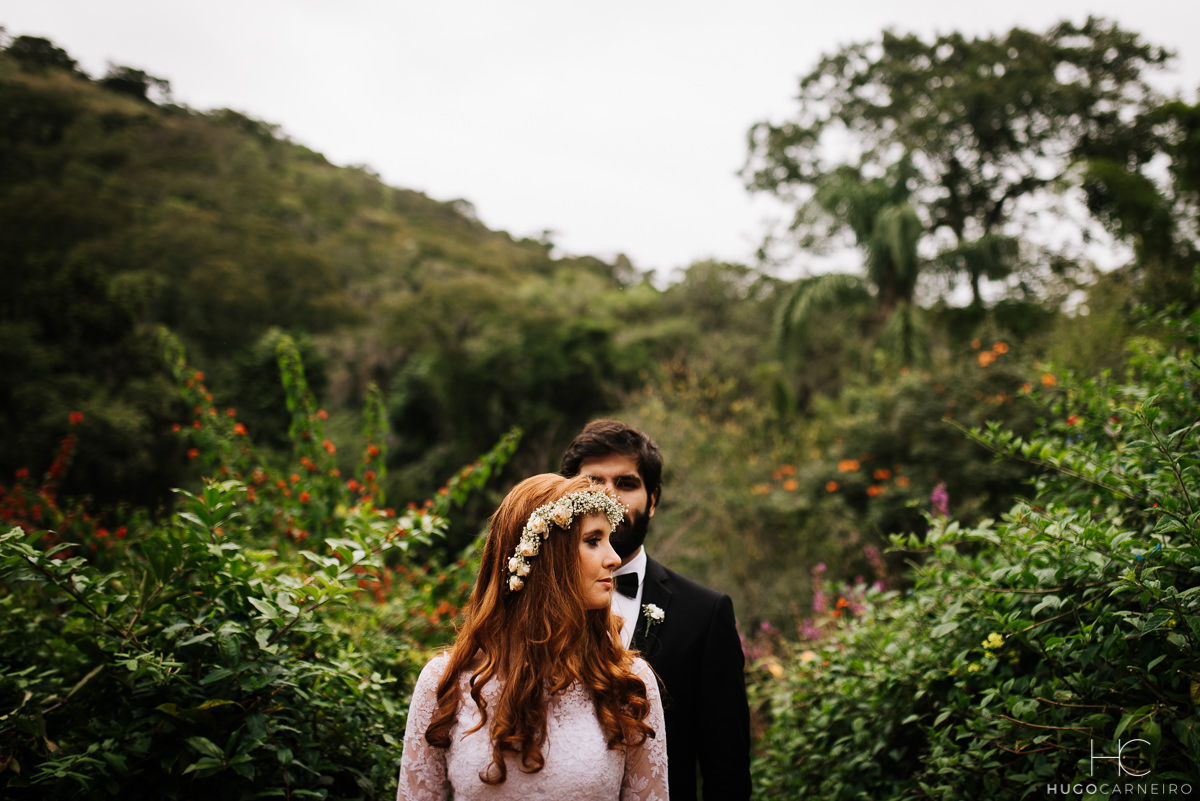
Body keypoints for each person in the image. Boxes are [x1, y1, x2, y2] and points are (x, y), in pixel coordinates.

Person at [397, 473, 669, 801]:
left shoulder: (627, 683)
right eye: (593, 540)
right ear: (546, 556)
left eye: (609, 539)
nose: (613, 558)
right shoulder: (445, 682)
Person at [561, 420, 752, 801]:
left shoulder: (706, 613)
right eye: (594, 482)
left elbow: (725, 771)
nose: (609, 496)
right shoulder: (530, 602)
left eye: (626, 484)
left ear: (653, 500)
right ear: (564, 496)